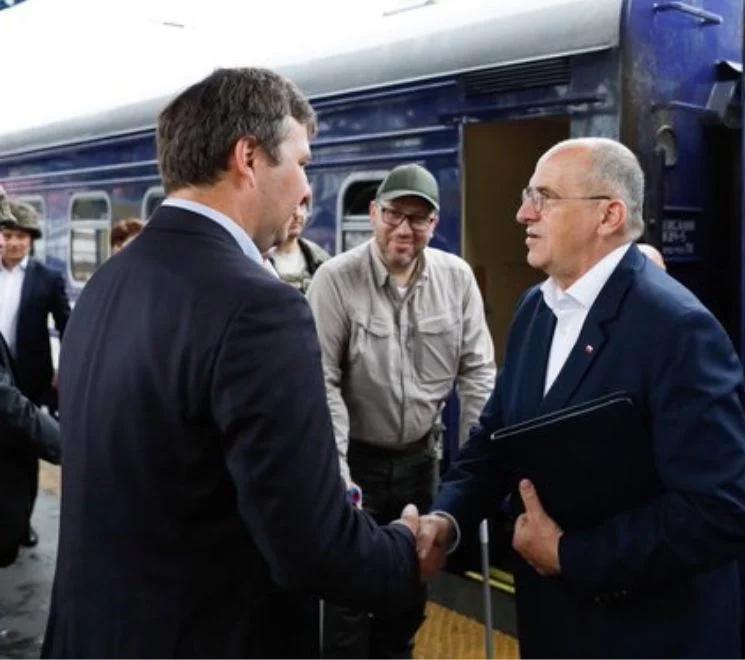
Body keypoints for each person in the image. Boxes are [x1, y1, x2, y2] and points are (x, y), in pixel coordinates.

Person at [42, 68, 424, 658]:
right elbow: (311, 548)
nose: (305, 191)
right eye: (301, 163)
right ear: (248, 157)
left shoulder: (107, 283)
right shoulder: (259, 308)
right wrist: (405, 552)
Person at [416, 138, 745, 657]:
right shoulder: (537, 308)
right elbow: (497, 437)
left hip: (648, 637)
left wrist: (571, 555)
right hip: (555, 628)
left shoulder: (677, 328)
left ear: (609, 215)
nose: (522, 213)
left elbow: (720, 511)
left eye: (544, 197)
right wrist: (448, 519)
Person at [307, 163, 495, 657]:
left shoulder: (457, 280)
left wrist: (475, 471)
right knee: (347, 597)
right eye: (394, 214)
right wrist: (338, 475)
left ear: (434, 225)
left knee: (408, 592)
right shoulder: (334, 281)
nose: (405, 229)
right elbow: (322, 384)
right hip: (358, 463)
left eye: (419, 218)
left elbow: (477, 374)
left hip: (420, 461)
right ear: (374, 214)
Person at [0, 200, 70, 549]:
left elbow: (67, 327)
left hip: (30, 378)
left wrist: (67, 371)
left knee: (25, 455)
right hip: (4, 382)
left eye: (19, 237)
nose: (11, 243)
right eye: (7, 234)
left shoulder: (47, 279)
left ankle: (21, 521)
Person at [270, 196, 330, 292]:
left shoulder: (320, 259)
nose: (298, 214)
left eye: (302, 205)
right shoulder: (260, 260)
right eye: (291, 206)